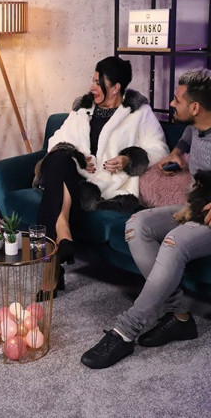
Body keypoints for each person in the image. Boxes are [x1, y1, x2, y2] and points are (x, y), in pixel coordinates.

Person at [80, 68, 211, 369]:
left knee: (174, 242)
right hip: (202, 207)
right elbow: (188, 137)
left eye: (176, 100)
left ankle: (125, 331)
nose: (171, 104)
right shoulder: (198, 125)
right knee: (137, 225)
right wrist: (176, 153)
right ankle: (179, 317)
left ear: (195, 107)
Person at [35, 56, 169, 298]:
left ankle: (52, 265)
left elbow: (160, 149)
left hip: (109, 184)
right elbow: (56, 140)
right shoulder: (82, 107)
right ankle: (62, 230)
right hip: (76, 175)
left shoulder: (139, 112)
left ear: (115, 87)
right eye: (93, 80)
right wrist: (77, 156)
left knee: (55, 190)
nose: (92, 87)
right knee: (58, 158)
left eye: (98, 82)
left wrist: (128, 159)